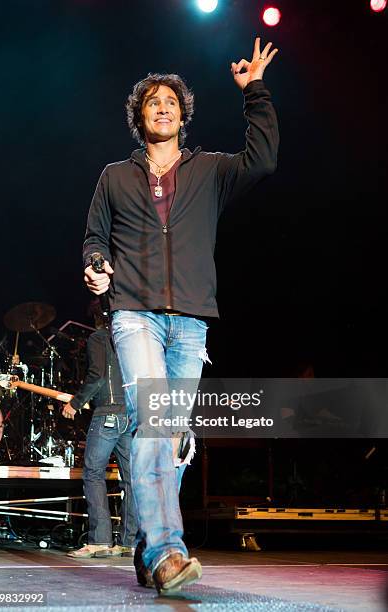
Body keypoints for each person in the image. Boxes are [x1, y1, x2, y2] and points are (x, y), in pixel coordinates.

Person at [82, 37, 279, 593]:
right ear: (139, 118)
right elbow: (95, 238)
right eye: (152, 102)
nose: (163, 106)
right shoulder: (113, 177)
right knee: (156, 422)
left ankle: (146, 546)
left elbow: (263, 160)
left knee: (174, 438)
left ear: (183, 115)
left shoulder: (209, 171)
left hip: (191, 321)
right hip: (135, 314)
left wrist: (255, 94)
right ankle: (170, 551)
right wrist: (97, 265)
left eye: (171, 100)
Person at [62, 305, 138, 559]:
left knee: (94, 474)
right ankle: (129, 541)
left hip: (107, 413)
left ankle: (100, 541)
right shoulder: (133, 337)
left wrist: (75, 403)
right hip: (131, 413)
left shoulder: (99, 337)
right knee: (131, 479)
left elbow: (96, 377)